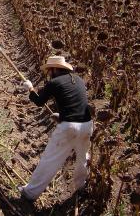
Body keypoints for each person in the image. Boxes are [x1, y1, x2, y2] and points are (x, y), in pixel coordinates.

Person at [18, 55, 93, 201]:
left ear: (53, 69)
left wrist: (30, 89)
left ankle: (30, 193)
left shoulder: (54, 82)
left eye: (49, 70)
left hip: (69, 127)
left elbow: (39, 101)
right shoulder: (78, 79)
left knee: (50, 160)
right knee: (82, 158)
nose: (48, 73)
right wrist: (62, 114)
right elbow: (75, 103)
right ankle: (80, 186)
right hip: (87, 125)